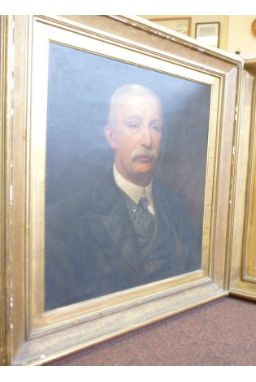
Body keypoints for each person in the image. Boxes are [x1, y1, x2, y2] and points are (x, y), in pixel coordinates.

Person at [45, 84, 200, 310]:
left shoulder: (178, 207)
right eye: (134, 125)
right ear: (111, 136)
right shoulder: (65, 219)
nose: (147, 140)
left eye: (155, 127)